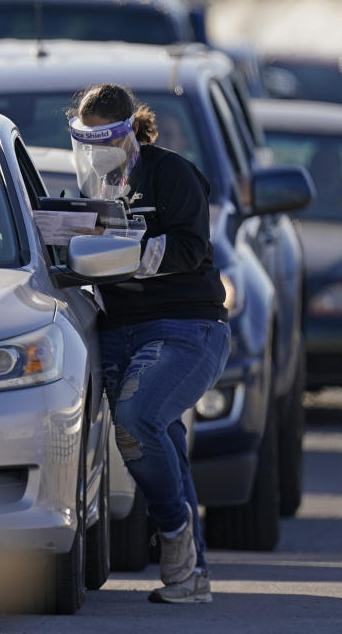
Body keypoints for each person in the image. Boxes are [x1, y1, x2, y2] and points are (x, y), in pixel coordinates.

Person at [68, 83, 230, 604]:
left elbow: (191, 247)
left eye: (105, 136)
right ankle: (190, 578)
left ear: (127, 130)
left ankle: (174, 532)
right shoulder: (93, 184)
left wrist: (125, 254)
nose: (95, 147)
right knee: (159, 437)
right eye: (85, 138)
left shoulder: (170, 173)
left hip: (185, 324)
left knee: (136, 422)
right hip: (119, 328)